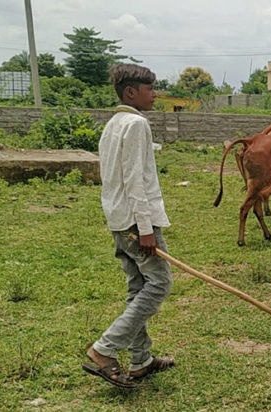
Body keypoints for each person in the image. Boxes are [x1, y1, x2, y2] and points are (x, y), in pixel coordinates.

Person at [81, 63, 175, 389]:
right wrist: (146, 228)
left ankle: (142, 360)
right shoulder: (136, 124)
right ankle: (104, 349)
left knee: (137, 288)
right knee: (160, 283)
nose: (155, 94)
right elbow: (135, 180)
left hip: (119, 221)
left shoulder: (113, 124)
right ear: (131, 92)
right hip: (137, 223)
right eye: (150, 89)